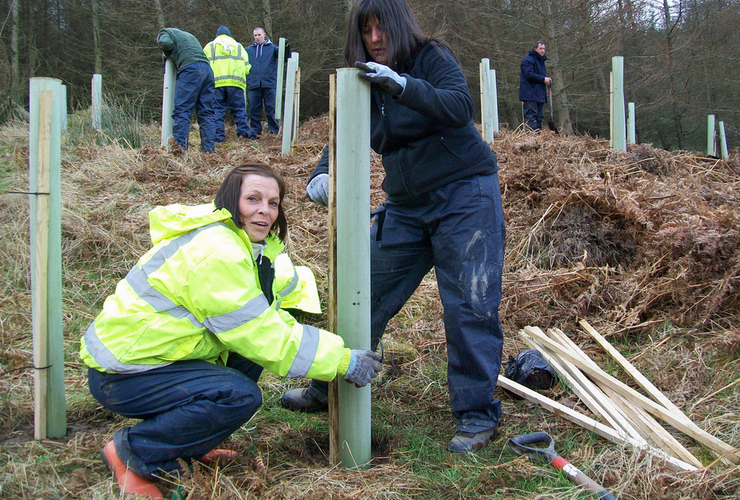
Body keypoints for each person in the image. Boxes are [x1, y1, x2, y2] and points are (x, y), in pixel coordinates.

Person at [281, 0, 506, 455]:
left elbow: (459, 106)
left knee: (469, 306)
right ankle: (330, 387)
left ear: (398, 26)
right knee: (362, 294)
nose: (376, 38)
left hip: (465, 196)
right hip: (405, 205)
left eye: (382, 27)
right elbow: (341, 133)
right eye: (366, 31)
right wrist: (323, 173)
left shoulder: (430, 58)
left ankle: (476, 414)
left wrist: (403, 86)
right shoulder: (362, 80)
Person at [80, 163, 382, 499]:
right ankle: (134, 454)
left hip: (156, 359)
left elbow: (263, 316)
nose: (264, 211)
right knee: (238, 394)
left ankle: (188, 442)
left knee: (245, 361)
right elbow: (261, 333)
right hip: (123, 374)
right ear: (229, 199)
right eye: (253, 199)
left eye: (273, 203)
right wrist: (340, 359)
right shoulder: (217, 252)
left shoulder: (244, 244)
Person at [156, 27, 217, 153]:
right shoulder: (188, 35)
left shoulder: (165, 32)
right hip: (207, 70)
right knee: (206, 112)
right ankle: (209, 150)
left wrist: (166, 55)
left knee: (182, 110)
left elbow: (165, 43)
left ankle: (180, 149)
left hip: (190, 69)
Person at [203, 25, 255, 142]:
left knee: (217, 110)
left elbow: (204, 66)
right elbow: (247, 67)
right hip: (236, 83)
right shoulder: (239, 47)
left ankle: (218, 136)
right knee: (239, 109)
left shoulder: (210, 47)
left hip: (216, 84)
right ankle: (243, 134)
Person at [245, 27, 290, 137]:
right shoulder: (248, 50)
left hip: (269, 83)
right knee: (253, 109)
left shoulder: (273, 48)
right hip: (253, 83)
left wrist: (287, 47)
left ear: (264, 34)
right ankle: (255, 131)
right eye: (255, 35)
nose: (257, 37)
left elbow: (286, 57)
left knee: (271, 108)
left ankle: (274, 131)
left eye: (259, 35)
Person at [519, 40, 552, 132]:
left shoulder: (541, 61)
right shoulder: (528, 60)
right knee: (531, 116)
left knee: (539, 117)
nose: (543, 51)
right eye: (540, 48)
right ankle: (531, 138)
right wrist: (543, 79)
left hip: (539, 94)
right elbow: (529, 74)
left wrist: (545, 79)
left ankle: (538, 137)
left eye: (544, 49)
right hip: (530, 94)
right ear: (535, 49)